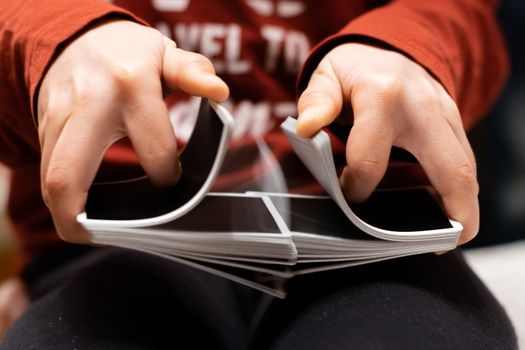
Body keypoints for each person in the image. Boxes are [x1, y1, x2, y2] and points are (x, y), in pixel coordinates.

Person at [0, 0, 517, 348]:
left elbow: (459, 13)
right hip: (114, 237)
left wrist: (407, 49)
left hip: (367, 236)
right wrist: (55, 41)